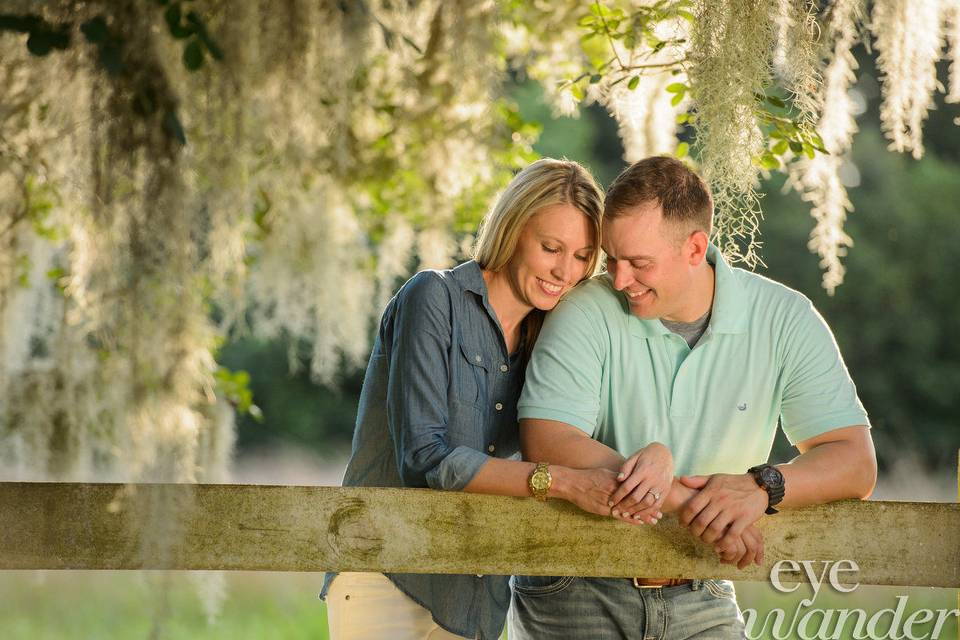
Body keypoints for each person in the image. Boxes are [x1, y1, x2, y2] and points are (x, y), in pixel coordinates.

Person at [511, 156, 878, 639]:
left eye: (639, 264)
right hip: (576, 583)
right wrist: (688, 501)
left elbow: (855, 463)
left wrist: (762, 486)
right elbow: (546, 438)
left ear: (695, 248)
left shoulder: (785, 318)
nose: (620, 280)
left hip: (702, 587)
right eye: (612, 261)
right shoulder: (586, 309)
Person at [321, 158, 673, 640]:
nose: (563, 271)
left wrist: (656, 453)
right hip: (386, 571)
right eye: (550, 247)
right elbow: (424, 459)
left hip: (476, 588)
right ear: (512, 230)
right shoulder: (433, 297)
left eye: (580, 256)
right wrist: (563, 483)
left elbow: (576, 434)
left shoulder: (550, 336)